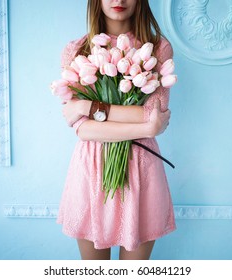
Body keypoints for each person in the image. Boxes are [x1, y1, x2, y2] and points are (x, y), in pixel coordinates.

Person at [57, 0, 176, 260]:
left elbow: (153, 115)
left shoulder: (158, 48)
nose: (118, 0)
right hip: (92, 169)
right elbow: (84, 131)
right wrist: (145, 126)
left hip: (141, 168)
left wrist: (88, 106)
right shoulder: (76, 50)